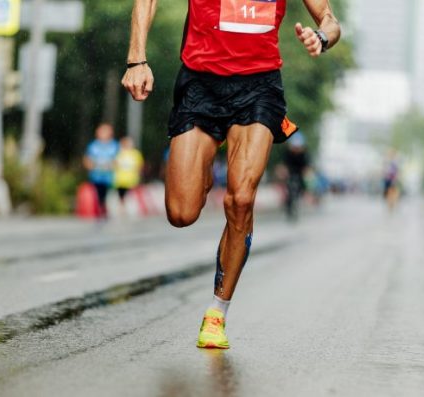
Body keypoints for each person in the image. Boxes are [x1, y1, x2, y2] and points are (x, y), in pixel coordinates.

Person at [122, 0, 340, 349]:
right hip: (201, 83)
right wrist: (137, 59)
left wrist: (321, 38)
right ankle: (208, 158)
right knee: (181, 213)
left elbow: (330, 21)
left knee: (241, 198)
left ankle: (217, 312)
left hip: (259, 89)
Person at [83, 124, 119, 218]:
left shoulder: (114, 145)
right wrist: (90, 165)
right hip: (96, 176)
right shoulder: (93, 145)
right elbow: (87, 159)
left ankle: (106, 209)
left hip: (110, 177)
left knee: (108, 195)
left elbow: (119, 159)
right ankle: (100, 209)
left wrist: (113, 165)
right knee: (98, 194)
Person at [283, 132, 310, 219]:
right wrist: (284, 171)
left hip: (299, 173)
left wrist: (306, 172)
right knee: (288, 190)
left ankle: (300, 195)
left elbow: (306, 166)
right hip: (290, 173)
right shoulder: (288, 153)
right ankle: (288, 207)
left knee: (301, 186)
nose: (296, 149)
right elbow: (284, 164)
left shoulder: (304, 154)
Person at [114, 136, 144, 206]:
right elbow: (115, 164)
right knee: (121, 194)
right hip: (121, 179)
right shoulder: (119, 153)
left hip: (132, 179)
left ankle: (131, 206)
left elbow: (140, 165)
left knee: (131, 195)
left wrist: (139, 172)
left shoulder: (135, 153)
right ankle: (122, 205)